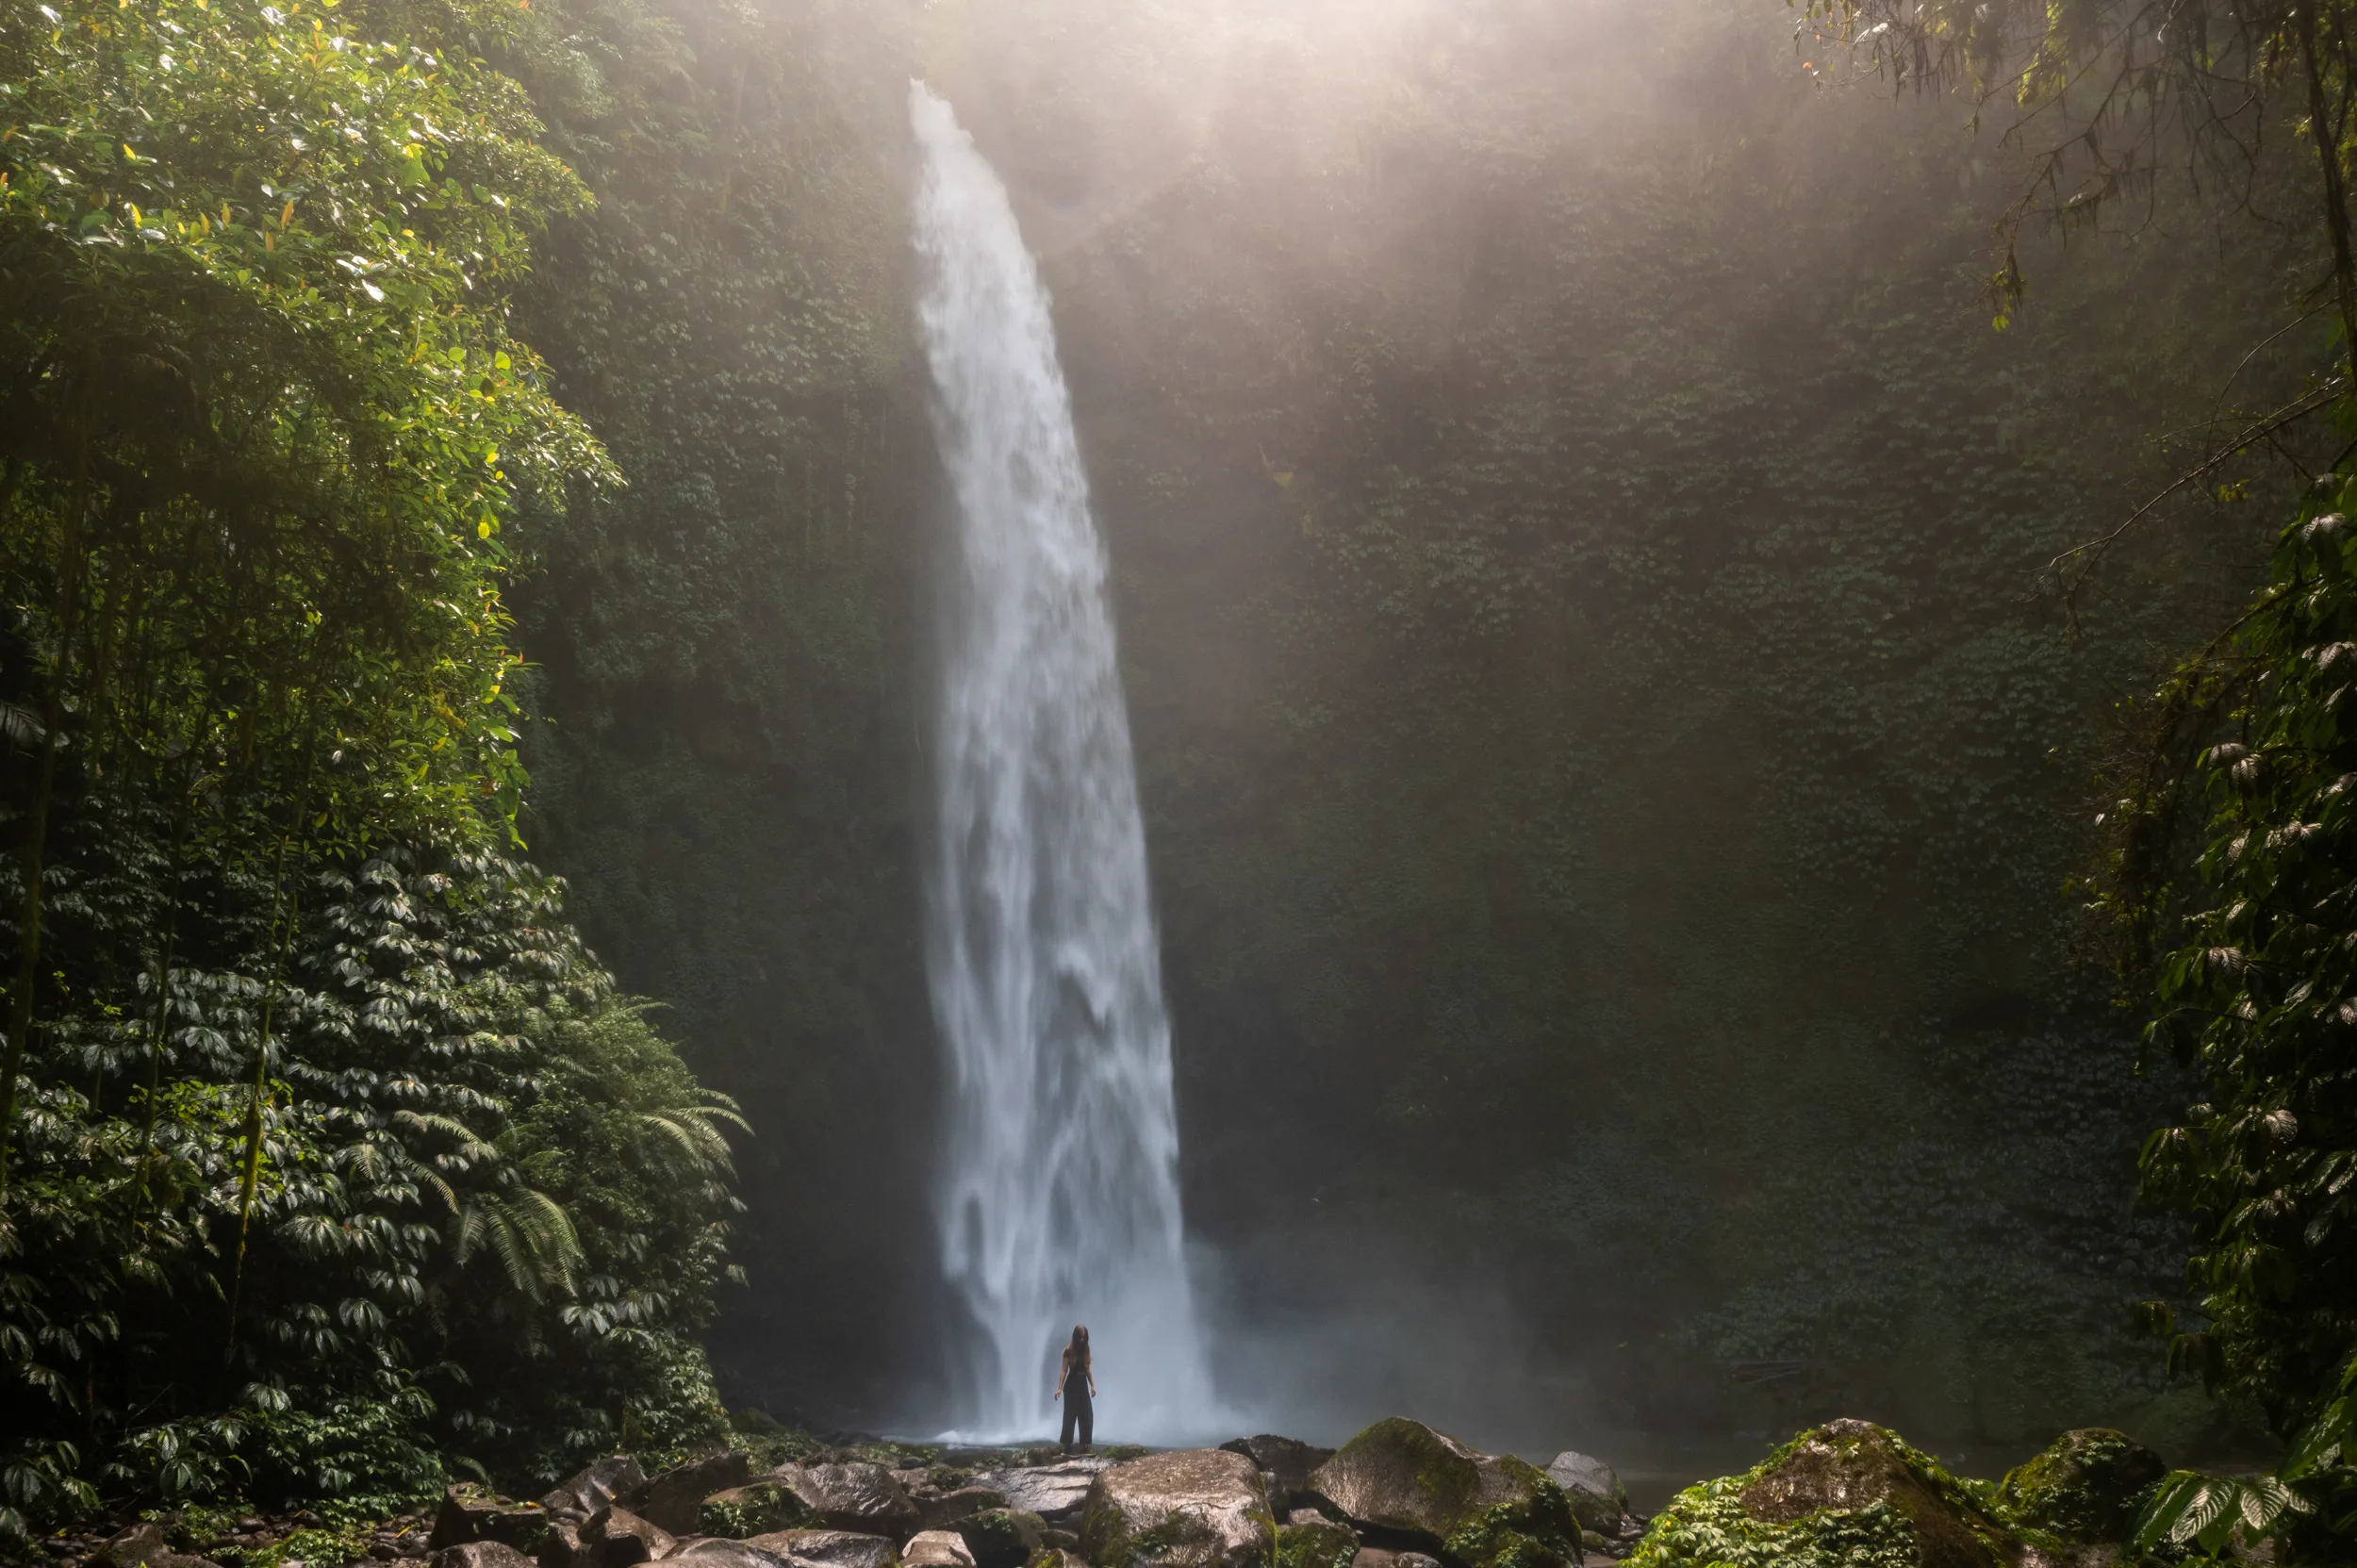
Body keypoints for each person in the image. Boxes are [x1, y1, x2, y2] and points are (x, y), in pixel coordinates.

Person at [1053, 1324, 1096, 1451]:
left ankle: (1085, 1444)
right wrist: (1059, 1388)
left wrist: (1093, 1385)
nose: (1082, 1340)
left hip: (1082, 1384)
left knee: (1086, 1414)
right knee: (1070, 1415)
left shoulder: (1086, 1350)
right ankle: (1067, 1444)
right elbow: (1064, 1370)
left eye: (1084, 1338)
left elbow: (1088, 1369)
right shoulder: (1068, 1351)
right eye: (1080, 1338)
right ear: (1076, 1337)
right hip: (1071, 1384)